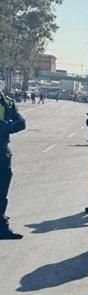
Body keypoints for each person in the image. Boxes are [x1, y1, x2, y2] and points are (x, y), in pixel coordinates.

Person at [0, 81, 26, 240]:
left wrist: (4, 128)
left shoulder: (8, 102)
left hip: (2, 151)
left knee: (2, 192)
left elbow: (22, 123)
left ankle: (2, 227)